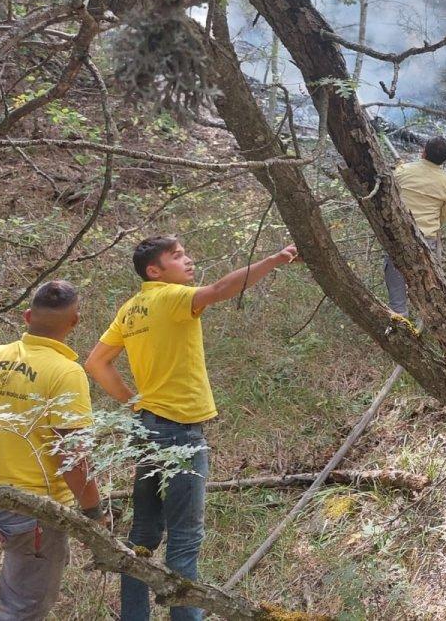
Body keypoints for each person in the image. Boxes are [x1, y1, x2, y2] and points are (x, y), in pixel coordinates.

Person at [84, 236, 299, 621]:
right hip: (180, 432)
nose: (189, 260)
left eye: (185, 253)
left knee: (143, 538)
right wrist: (273, 260)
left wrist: (134, 403)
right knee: (184, 538)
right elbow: (218, 290)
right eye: (178, 256)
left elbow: (96, 363)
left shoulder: (131, 309)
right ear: (155, 270)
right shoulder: (170, 297)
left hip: (147, 428)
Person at [0, 280, 107, 621]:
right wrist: (93, 511)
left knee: (18, 585)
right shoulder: (66, 373)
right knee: (21, 610)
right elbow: (70, 455)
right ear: (75, 322)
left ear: (27, 316)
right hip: (32, 511)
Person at [384, 136, 446, 316]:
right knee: (429, 286)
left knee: (396, 286)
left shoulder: (403, 172)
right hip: (427, 242)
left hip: (399, 236)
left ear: (423, 151)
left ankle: (400, 318)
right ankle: (429, 320)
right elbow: (443, 217)